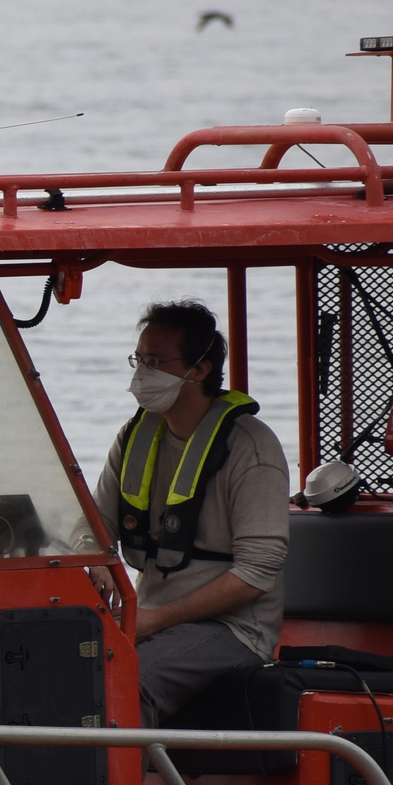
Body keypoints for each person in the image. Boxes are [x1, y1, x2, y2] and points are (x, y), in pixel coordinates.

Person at [91, 301, 289, 727]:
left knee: (124, 679)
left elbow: (258, 572)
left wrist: (155, 620)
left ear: (200, 370)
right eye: (140, 360)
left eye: (157, 362)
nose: (142, 374)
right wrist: (97, 560)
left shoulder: (251, 448)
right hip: (147, 616)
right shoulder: (134, 435)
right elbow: (92, 526)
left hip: (233, 629)